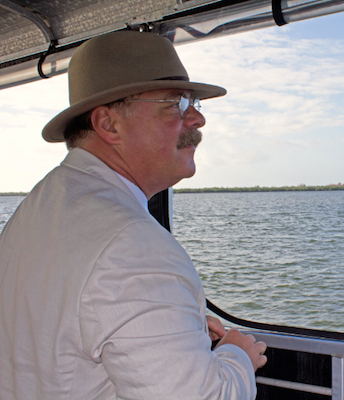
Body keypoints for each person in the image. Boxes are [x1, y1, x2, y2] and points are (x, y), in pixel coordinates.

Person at [0, 31, 266, 399]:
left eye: (194, 103)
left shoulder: (36, 210)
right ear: (109, 124)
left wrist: (173, 328)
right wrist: (238, 355)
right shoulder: (133, 245)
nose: (196, 120)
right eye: (175, 103)